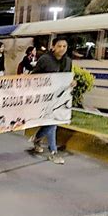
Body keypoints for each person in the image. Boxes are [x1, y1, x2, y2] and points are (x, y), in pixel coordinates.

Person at [31, 37, 75, 165]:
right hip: (45, 97)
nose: (62, 48)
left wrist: (72, 83)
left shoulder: (68, 61)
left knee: (52, 122)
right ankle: (53, 152)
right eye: (59, 46)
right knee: (53, 123)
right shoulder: (45, 59)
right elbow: (34, 77)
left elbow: (67, 78)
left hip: (60, 97)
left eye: (64, 46)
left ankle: (38, 139)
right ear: (53, 47)